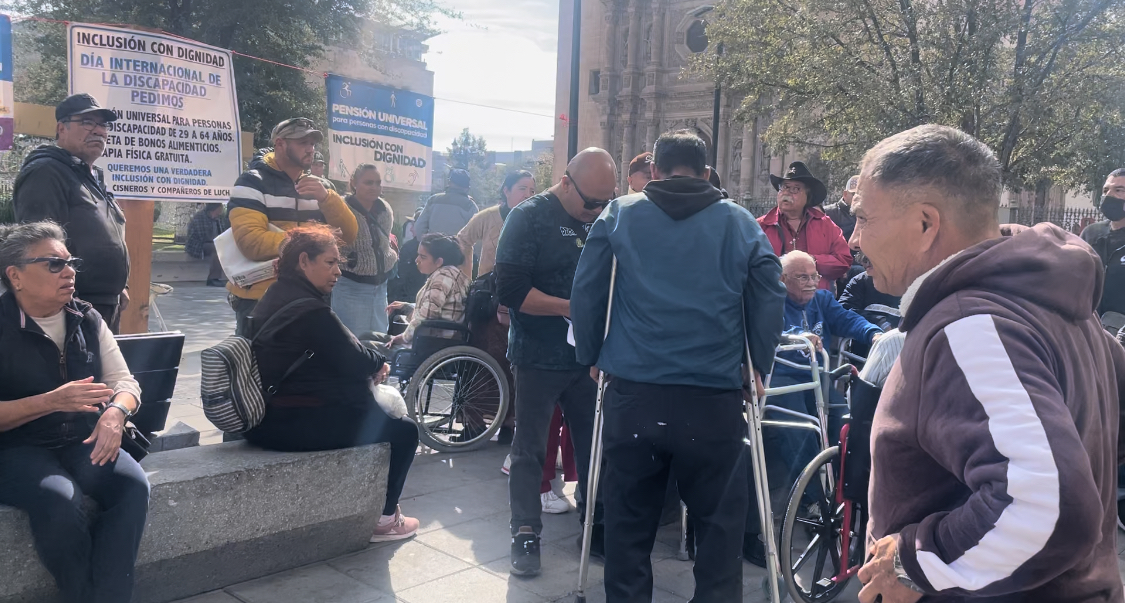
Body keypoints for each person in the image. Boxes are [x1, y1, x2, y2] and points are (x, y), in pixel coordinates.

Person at [851, 124, 1125, 603]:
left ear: (925, 224)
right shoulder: (1051, 303)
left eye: (862, 218)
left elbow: (1046, 507)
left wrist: (915, 564)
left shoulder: (969, 327)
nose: (853, 239)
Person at [572, 130, 786, 602]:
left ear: (654, 170)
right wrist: (758, 362)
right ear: (707, 172)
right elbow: (770, 294)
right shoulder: (739, 222)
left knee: (628, 525)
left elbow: (587, 290)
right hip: (712, 398)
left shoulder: (620, 214)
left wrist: (590, 354)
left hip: (635, 392)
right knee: (719, 528)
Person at [0, 221, 149, 603]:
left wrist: (115, 414)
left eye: (71, 263)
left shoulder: (86, 317)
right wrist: (49, 401)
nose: (69, 272)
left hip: (82, 438)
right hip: (15, 448)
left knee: (132, 486)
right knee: (60, 501)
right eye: (54, 264)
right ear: (15, 276)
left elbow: (125, 383)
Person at [244, 224, 420, 542]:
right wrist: (378, 364)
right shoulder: (310, 310)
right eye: (330, 262)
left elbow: (338, 351)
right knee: (405, 431)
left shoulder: (275, 296)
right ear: (304, 261)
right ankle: (385, 519)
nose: (338, 271)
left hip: (267, 418)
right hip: (291, 425)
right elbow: (354, 356)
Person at [495, 147, 616, 576]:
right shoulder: (528, 217)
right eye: (591, 202)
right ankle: (525, 532)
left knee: (595, 447)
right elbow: (511, 290)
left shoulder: (604, 216)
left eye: (605, 202)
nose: (597, 211)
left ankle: (596, 524)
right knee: (530, 449)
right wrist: (571, 308)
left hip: (588, 358)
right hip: (537, 355)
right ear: (566, 182)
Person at [741, 249, 882, 566]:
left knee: (845, 422)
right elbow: (768, 331)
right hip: (780, 378)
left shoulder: (823, 299)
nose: (811, 282)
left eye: (814, 275)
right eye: (802, 277)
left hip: (818, 376)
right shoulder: (772, 299)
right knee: (802, 430)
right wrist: (798, 335)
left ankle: (844, 494)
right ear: (782, 279)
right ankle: (813, 501)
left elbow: (847, 320)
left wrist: (874, 334)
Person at [225, 118, 358, 337]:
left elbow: (350, 235)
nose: (310, 149)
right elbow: (251, 242)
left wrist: (327, 198)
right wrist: (312, 243)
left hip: (311, 297)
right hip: (261, 299)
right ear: (280, 144)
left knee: (309, 357)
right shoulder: (252, 182)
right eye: (302, 142)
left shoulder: (321, 187)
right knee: (259, 359)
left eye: (312, 143)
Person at [13, 94, 129, 333]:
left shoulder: (92, 178)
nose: (98, 130)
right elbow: (39, 246)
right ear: (61, 128)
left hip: (104, 305)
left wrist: (120, 286)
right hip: (71, 308)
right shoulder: (46, 172)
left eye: (103, 125)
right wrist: (63, 303)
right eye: (87, 122)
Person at [457, 170, 535, 448]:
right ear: (506, 190)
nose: (528, 195)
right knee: (480, 359)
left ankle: (508, 423)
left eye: (532, 190)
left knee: (511, 363)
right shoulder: (489, 216)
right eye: (522, 188)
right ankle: (474, 422)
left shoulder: (534, 219)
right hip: (488, 301)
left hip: (520, 301)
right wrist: (468, 276)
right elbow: (462, 240)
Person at [757, 162, 852, 292]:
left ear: (807, 196)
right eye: (783, 187)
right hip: (773, 298)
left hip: (816, 298)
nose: (786, 193)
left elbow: (844, 261)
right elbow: (748, 264)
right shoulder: (761, 226)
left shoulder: (826, 225)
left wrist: (810, 261)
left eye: (795, 189)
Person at [333, 164, 397, 337]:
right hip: (351, 286)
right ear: (354, 183)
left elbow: (384, 241)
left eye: (378, 183)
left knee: (379, 339)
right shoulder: (341, 207)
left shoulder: (385, 209)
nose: (374, 187)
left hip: (380, 286)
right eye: (368, 182)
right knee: (352, 340)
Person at [385, 233, 470, 349]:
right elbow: (435, 307)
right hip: (437, 340)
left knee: (368, 343)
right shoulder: (452, 275)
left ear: (439, 262)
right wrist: (407, 306)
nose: (417, 260)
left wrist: (403, 337)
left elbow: (428, 315)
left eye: (423, 257)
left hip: (433, 343)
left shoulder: (442, 278)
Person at [1080, 168, 1125, 317]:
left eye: (1119, 190)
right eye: (1105, 190)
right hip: (1089, 324)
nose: (1108, 195)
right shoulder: (1091, 233)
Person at [416, 169, 478, 237]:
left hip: (433, 243)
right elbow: (476, 232)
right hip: (457, 243)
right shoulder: (470, 205)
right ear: (467, 188)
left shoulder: (433, 200)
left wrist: (426, 241)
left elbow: (419, 227)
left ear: (449, 182)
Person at [186, 203, 227, 287]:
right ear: (213, 209)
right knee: (216, 249)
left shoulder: (218, 219)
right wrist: (216, 242)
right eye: (219, 210)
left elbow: (222, 232)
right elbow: (202, 237)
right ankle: (213, 279)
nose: (220, 212)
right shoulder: (200, 218)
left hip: (213, 242)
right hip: (197, 245)